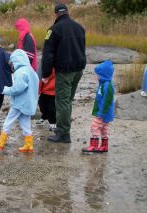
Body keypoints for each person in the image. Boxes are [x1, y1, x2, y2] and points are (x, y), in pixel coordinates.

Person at [41, 3, 86, 143]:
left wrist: (45, 74)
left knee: (62, 101)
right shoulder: (80, 28)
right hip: (78, 70)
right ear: (67, 12)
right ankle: (63, 128)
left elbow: (48, 54)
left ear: (56, 14)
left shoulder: (54, 30)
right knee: (68, 101)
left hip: (65, 72)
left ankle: (63, 133)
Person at [0, 49, 39, 153]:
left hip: (19, 103)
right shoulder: (31, 71)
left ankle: (1, 142)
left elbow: (17, 89)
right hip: (28, 103)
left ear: (16, 61)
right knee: (25, 122)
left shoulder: (20, 72)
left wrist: (4, 90)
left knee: (8, 121)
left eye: (12, 62)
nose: (11, 65)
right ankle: (29, 145)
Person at [82, 60, 115, 153]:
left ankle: (94, 146)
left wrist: (101, 113)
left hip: (104, 113)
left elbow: (106, 101)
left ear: (104, 75)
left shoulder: (107, 86)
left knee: (94, 126)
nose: (97, 77)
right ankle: (104, 146)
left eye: (98, 75)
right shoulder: (103, 84)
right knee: (104, 128)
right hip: (103, 112)